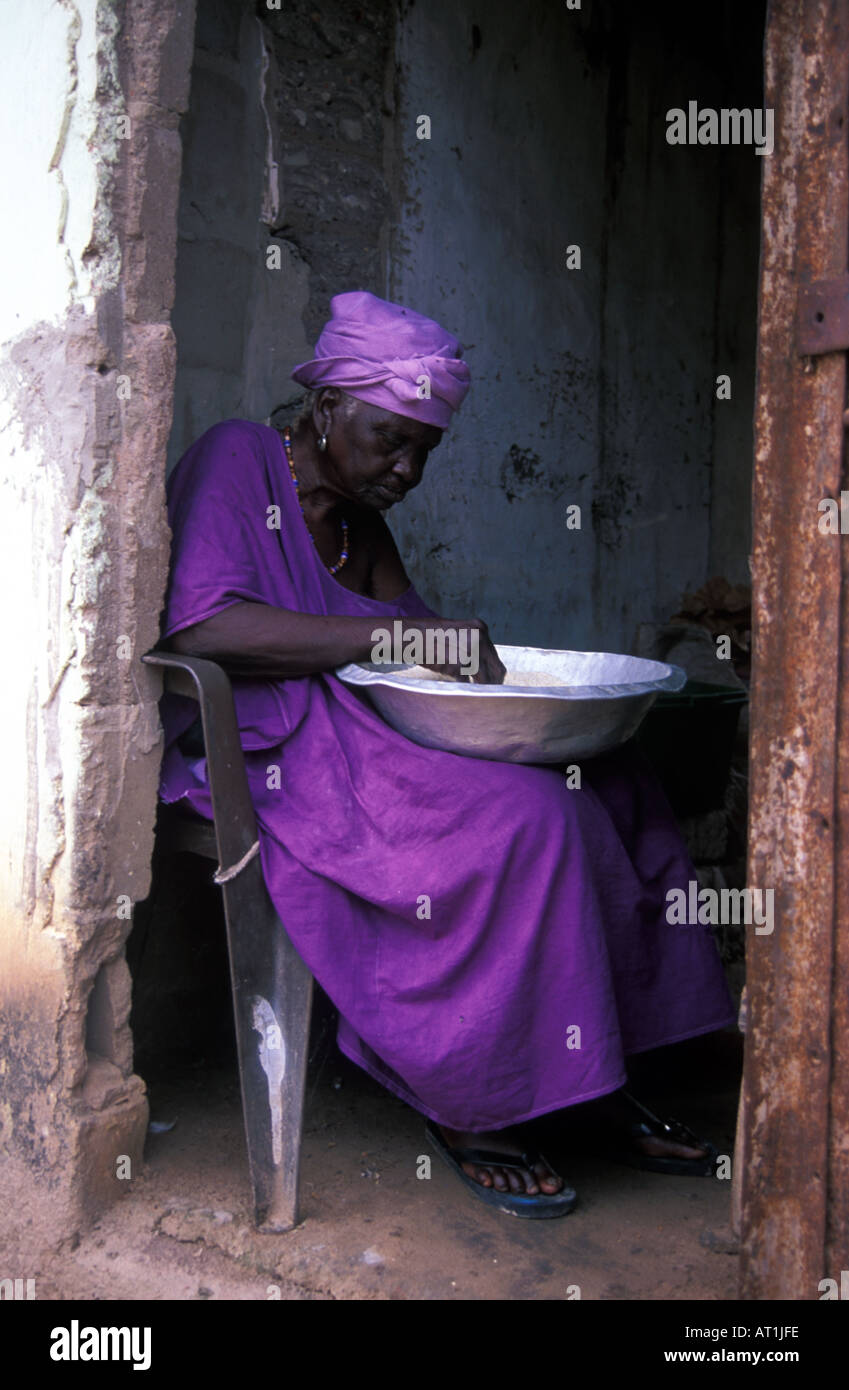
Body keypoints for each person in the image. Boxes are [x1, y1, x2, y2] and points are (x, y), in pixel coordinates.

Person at [157, 290, 736, 1218]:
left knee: (615, 784)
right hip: (282, 753)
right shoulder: (239, 460)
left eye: (424, 449)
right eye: (389, 438)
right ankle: (474, 1098)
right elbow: (204, 625)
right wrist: (397, 646)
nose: (406, 467)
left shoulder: (360, 526)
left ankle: (594, 1067)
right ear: (325, 409)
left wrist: (500, 683)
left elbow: (424, 647)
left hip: (371, 741)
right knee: (532, 817)